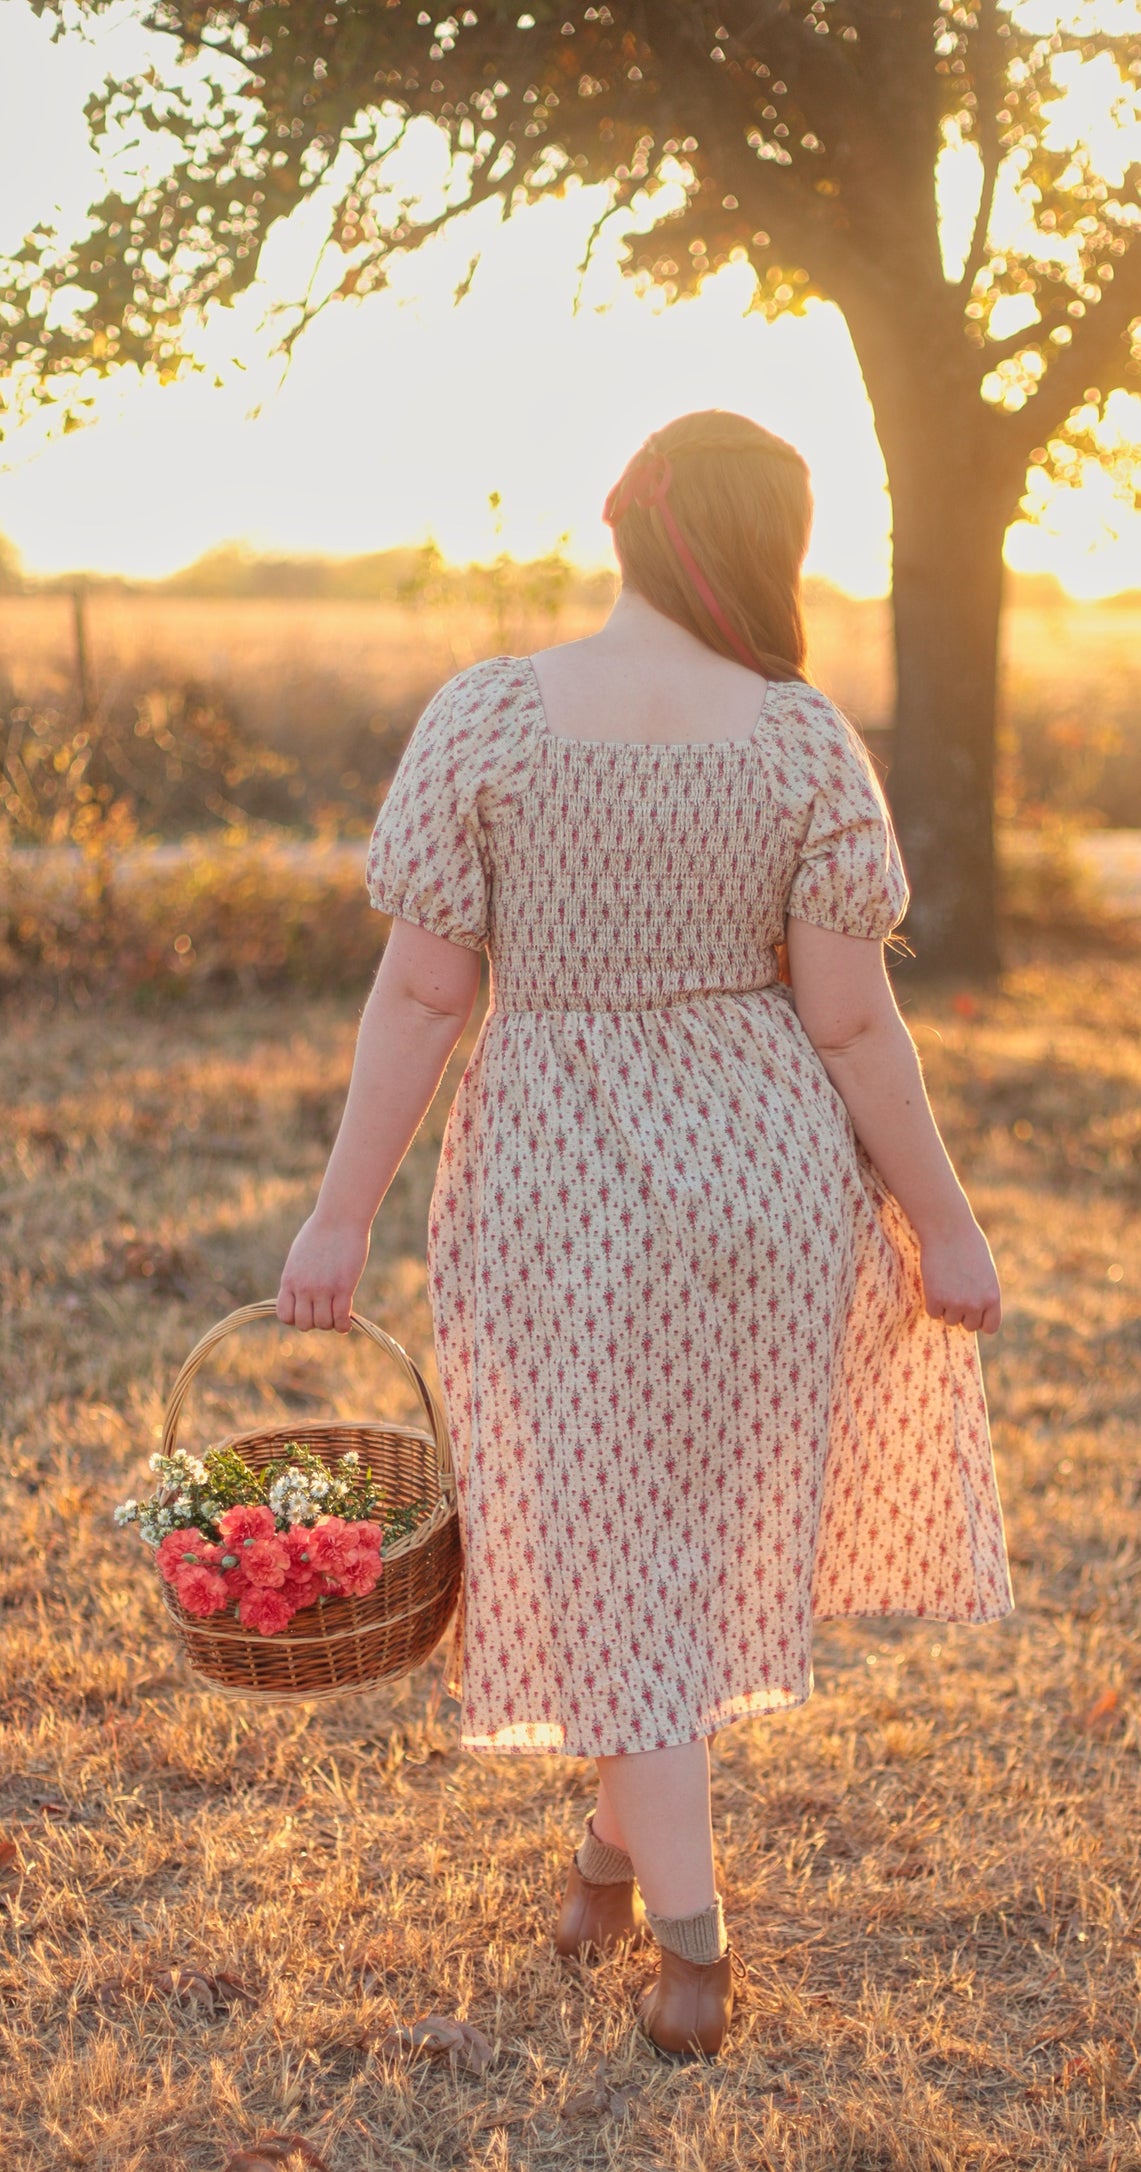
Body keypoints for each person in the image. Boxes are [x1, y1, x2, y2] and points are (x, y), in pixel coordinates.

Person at [276, 409, 1012, 2060]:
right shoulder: (801, 740)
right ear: (774, 549)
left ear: (619, 526)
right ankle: (610, 1863)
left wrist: (341, 1213)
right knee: (658, 1546)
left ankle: (690, 1942)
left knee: (601, 1544)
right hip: (764, 1185)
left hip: (554, 1182)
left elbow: (421, 990)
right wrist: (938, 1225)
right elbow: (848, 1027)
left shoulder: (486, 719)